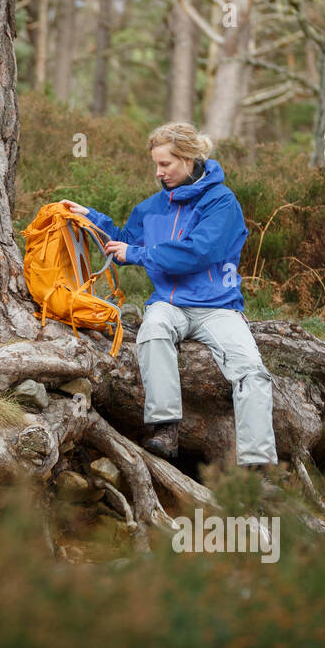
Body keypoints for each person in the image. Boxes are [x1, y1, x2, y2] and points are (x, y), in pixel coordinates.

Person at [60, 122, 280, 473]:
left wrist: (139, 254)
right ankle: (166, 428)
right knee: (153, 328)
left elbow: (197, 253)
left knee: (251, 371)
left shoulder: (222, 203)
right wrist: (91, 218)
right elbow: (124, 240)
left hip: (218, 308)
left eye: (166, 164)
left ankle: (259, 467)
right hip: (169, 302)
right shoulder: (152, 207)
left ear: (190, 158)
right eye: (156, 165)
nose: (159, 173)